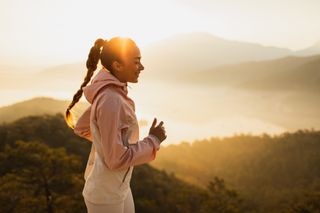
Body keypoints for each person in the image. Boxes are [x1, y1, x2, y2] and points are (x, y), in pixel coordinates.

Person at [65, 37, 167, 213]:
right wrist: (153, 140)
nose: (142, 67)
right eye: (136, 62)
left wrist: (108, 142)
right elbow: (116, 159)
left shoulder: (108, 94)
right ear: (117, 65)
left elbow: (82, 127)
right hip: (105, 194)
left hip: (117, 185)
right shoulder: (111, 99)